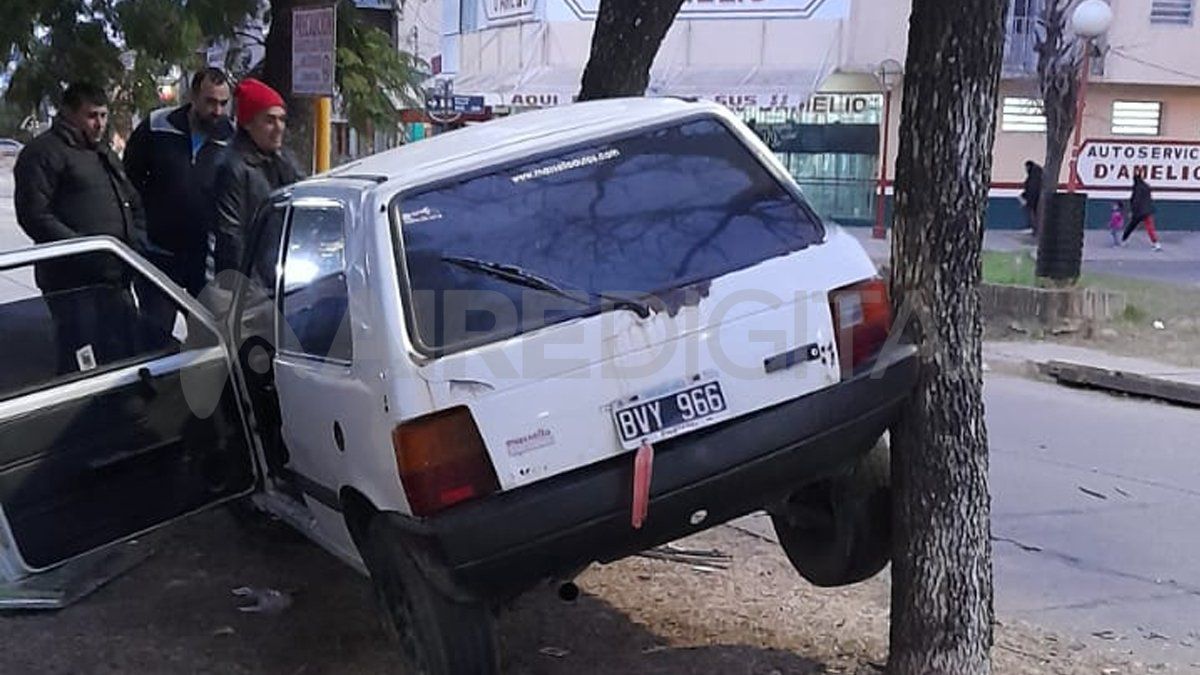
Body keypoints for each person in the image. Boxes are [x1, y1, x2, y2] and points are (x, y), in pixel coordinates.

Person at [13, 82, 147, 371]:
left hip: (116, 276)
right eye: (91, 116)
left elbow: (131, 200)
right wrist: (85, 251)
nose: (99, 124)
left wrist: (135, 240)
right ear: (68, 113)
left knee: (122, 352)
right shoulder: (43, 153)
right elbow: (34, 215)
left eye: (103, 115)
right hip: (72, 283)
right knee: (82, 360)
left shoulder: (102, 152)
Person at [124, 67, 234, 296]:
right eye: (210, 102)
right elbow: (128, 180)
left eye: (223, 103)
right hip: (157, 253)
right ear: (193, 96)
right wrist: (138, 232)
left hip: (205, 261)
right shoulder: (157, 125)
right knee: (155, 318)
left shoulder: (232, 139)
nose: (217, 111)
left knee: (205, 319)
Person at [210, 78, 303, 281]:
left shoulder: (285, 160)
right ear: (248, 123)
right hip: (251, 285)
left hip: (285, 279)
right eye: (270, 120)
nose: (279, 127)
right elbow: (231, 239)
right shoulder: (232, 167)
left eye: (282, 119)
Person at [1122, 170, 1162, 251]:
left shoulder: (1137, 187)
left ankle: (1124, 240)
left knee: (1131, 226)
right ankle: (1156, 243)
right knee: (1150, 228)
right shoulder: (1146, 186)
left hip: (1138, 211)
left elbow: (1135, 200)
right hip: (1147, 210)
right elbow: (1149, 198)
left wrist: (1132, 211)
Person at [1020, 160, 1043, 236]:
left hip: (1033, 199)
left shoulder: (1033, 176)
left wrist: (1027, 198)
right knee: (1035, 215)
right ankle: (1036, 230)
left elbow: (1032, 188)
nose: (1025, 169)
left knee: (1034, 215)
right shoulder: (1037, 174)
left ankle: (1036, 230)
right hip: (1036, 198)